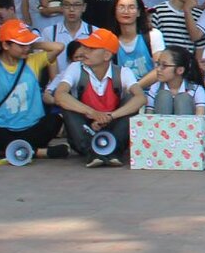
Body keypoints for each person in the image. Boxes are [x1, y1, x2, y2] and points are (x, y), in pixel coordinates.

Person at [0, 19, 65, 160]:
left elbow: (59, 47)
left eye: (27, 44)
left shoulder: (32, 60)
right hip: (3, 127)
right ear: (6, 45)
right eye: (21, 45)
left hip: (32, 126)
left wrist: (31, 44)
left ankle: (3, 151)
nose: (26, 48)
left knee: (55, 120)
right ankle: (36, 152)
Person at [52, 28, 146, 166]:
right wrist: (92, 113)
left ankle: (112, 150)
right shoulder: (76, 67)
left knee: (131, 99)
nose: (84, 52)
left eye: (91, 49)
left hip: (112, 127)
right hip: (85, 128)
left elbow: (141, 98)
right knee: (67, 104)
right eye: (85, 47)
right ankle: (94, 152)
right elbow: (59, 95)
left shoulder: (123, 72)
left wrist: (110, 116)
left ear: (107, 55)